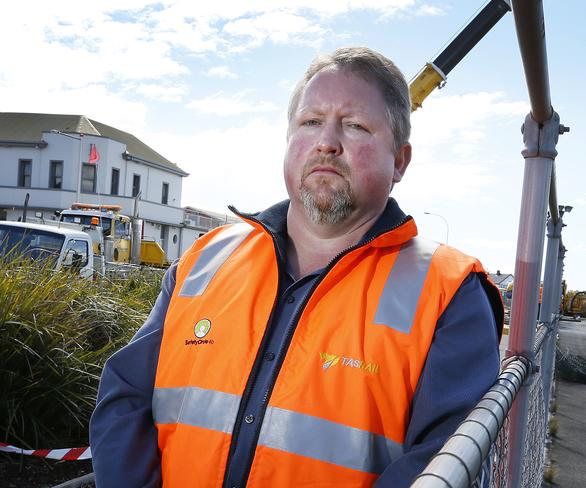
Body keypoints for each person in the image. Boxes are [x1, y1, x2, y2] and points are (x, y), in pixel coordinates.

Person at [90, 46, 503, 487]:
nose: (327, 140)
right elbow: (125, 398)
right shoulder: (204, 260)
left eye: (356, 125)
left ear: (400, 160)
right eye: (310, 122)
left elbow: (441, 466)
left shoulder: (450, 295)